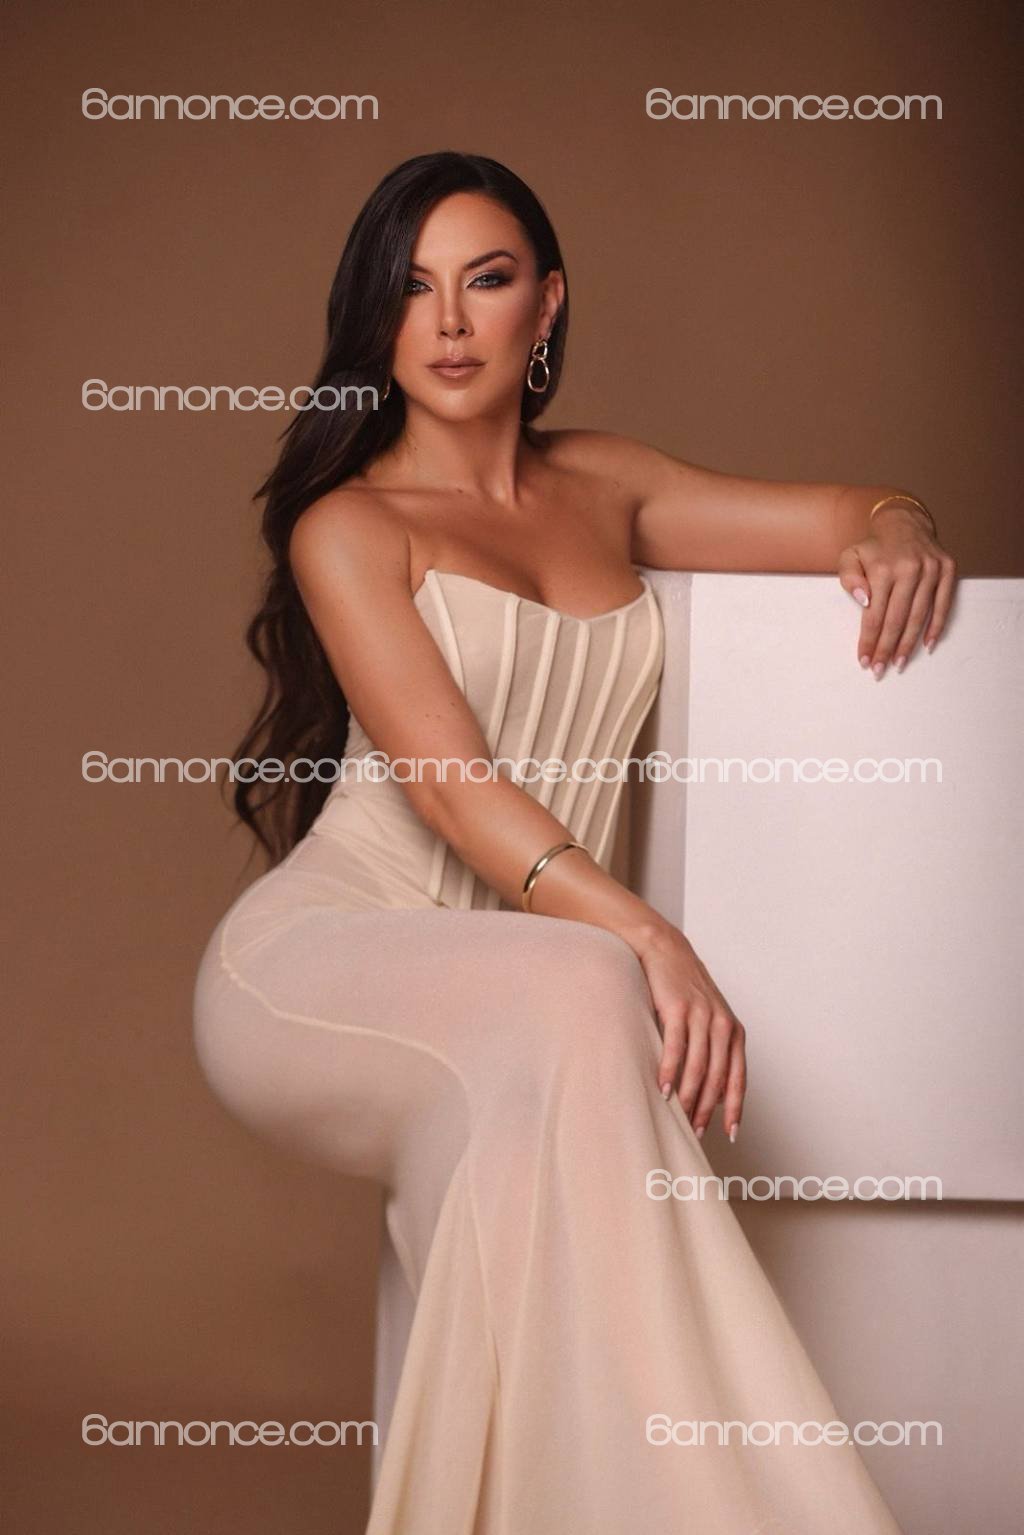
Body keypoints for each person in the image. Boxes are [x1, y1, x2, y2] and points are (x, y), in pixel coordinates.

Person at [192, 150, 955, 1533]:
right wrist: (651, 939)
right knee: (586, 985)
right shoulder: (347, 525)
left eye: (484, 281)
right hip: (319, 964)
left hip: (532, 993)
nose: (447, 322)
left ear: (546, 304)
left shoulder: (608, 483)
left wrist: (901, 530)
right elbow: (453, 789)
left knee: (534, 1175)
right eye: (410, 289)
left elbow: (851, 514)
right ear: (374, 319)